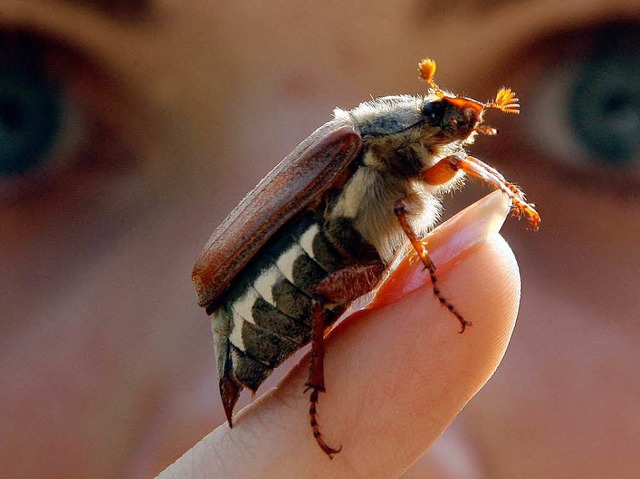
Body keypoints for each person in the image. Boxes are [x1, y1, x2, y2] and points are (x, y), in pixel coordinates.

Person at [1, 1, 638, 477]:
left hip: (299, 267)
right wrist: (432, 272)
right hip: (263, 287)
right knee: (324, 294)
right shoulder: (357, 147)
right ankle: (315, 400)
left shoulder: (414, 163)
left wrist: (503, 194)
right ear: (411, 125)